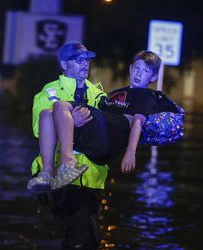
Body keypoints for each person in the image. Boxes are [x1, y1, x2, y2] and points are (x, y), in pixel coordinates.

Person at [28, 50, 180, 191]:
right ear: (130, 68)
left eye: (146, 71)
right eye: (137, 69)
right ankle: (47, 172)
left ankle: (68, 163)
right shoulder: (115, 93)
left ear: (153, 77)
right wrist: (72, 120)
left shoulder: (146, 96)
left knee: (60, 105)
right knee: (47, 114)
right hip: (99, 131)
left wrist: (130, 152)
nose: (139, 74)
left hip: (112, 132)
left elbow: (137, 122)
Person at [30, 41, 108, 250]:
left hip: (93, 178)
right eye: (78, 60)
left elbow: (109, 130)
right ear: (64, 65)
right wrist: (71, 120)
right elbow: (40, 127)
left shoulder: (98, 95)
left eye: (87, 60)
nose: (85, 64)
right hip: (62, 177)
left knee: (91, 237)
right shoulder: (50, 92)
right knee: (79, 237)